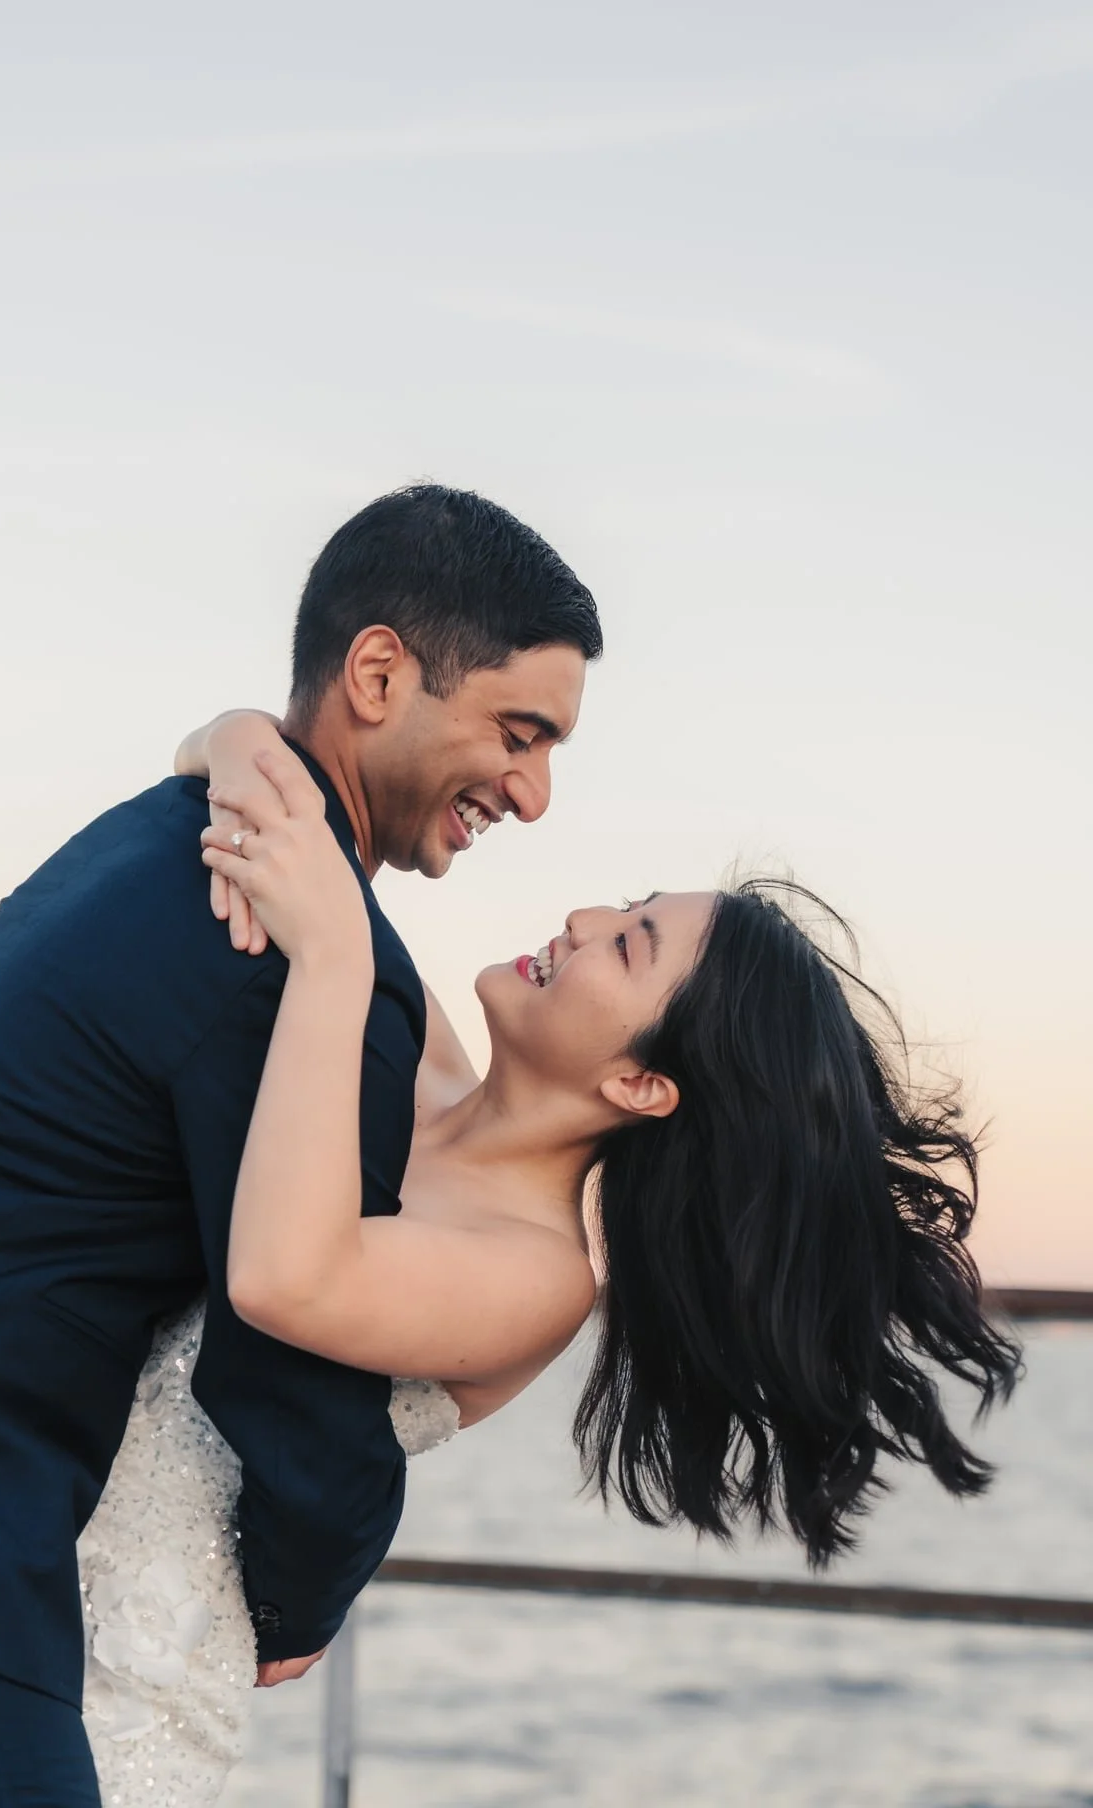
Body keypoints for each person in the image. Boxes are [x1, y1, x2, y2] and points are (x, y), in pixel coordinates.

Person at [0, 484, 601, 1806]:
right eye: (519, 733)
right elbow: (282, 1363)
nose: (531, 792)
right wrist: (303, 1597)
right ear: (377, 673)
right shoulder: (301, 958)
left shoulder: (186, 831)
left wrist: (236, 735)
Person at [80, 715, 1020, 1804]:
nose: (579, 918)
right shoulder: (395, 1035)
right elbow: (263, 790)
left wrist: (332, 952)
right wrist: (240, 738)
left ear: (640, 1085)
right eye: (622, 906)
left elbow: (284, 1281)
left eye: (626, 944)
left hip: (118, 1681)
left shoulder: (536, 1278)